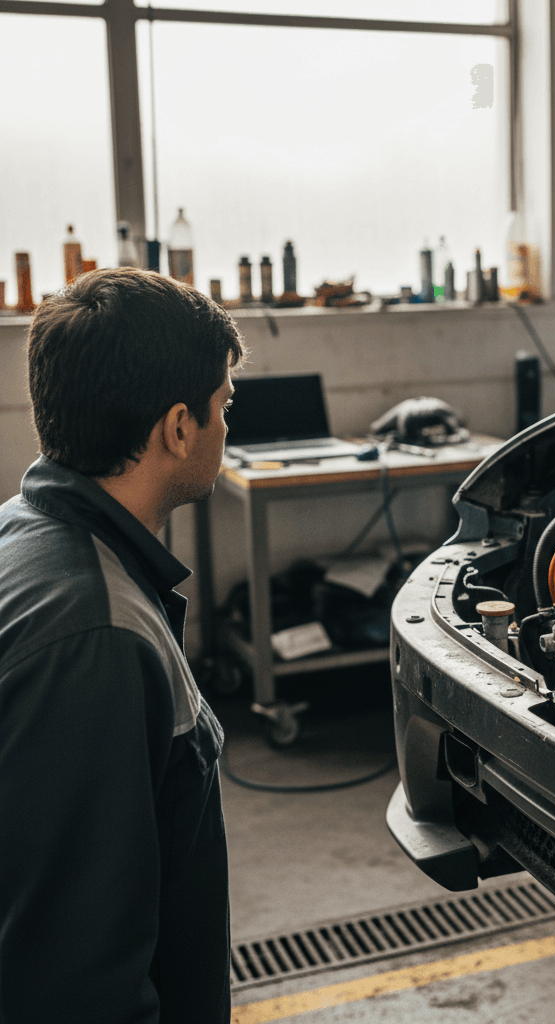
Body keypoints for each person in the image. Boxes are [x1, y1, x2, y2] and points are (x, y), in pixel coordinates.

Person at [0, 267, 246, 1022]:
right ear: (178, 428)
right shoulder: (97, 639)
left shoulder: (23, 530)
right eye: (222, 408)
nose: (227, 430)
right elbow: (75, 980)